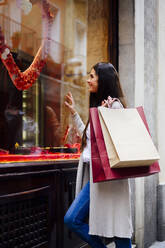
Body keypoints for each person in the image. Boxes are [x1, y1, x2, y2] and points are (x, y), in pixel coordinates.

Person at [64, 62, 133, 248]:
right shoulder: (101, 106)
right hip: (96, 178)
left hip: (111, 179)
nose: (88, 80)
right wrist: (74, 113)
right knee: (72, 219)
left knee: (119, 232)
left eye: (92, 76)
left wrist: (104, 113)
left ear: (103, 80)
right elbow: (90, 138)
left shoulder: (114, 106)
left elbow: (114, 143)